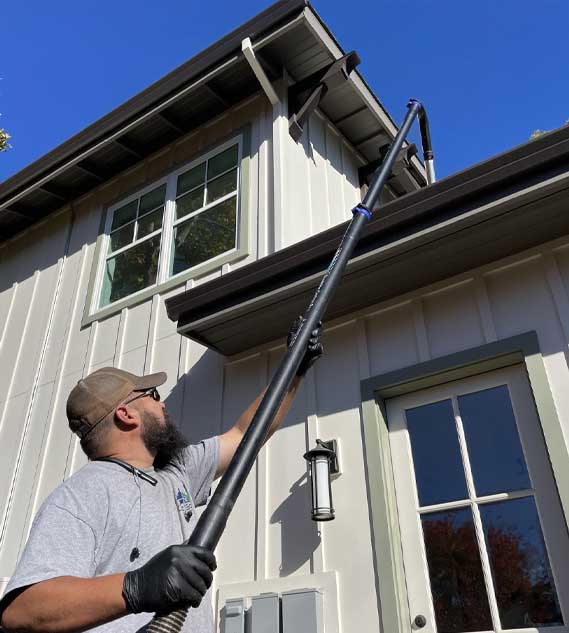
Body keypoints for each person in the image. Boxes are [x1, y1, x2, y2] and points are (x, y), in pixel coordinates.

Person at [0, 319, 322, 633]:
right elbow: (22, 610)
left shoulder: (177, 473)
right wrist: (136, 587)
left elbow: (246, 433)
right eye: (152, 395)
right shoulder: (83, 495)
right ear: (126, 414)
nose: (162, 404)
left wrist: (294, 368)